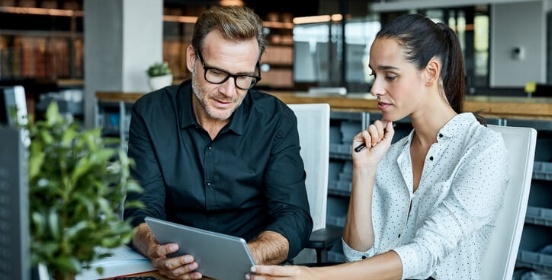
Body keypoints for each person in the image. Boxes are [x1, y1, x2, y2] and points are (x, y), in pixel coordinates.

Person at [249, 13, 509, 280]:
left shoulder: (483, 150)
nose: (375, 88)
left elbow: (426, 253)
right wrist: (364, 170)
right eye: (374, 74)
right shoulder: (392, 153)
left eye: (390, 76)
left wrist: (315, 276)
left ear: (431, 72)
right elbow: (357, 254)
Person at [123, 5, 313, 280]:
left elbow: (294, 216)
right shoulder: (151, 113)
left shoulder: (276, 120)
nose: (228, 91)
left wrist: (247, 256)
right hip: (175, 269)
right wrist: (155, 249)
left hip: (252, 269)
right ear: (192, 58)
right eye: (216, 72)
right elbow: (140, 208)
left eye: (244, 77)